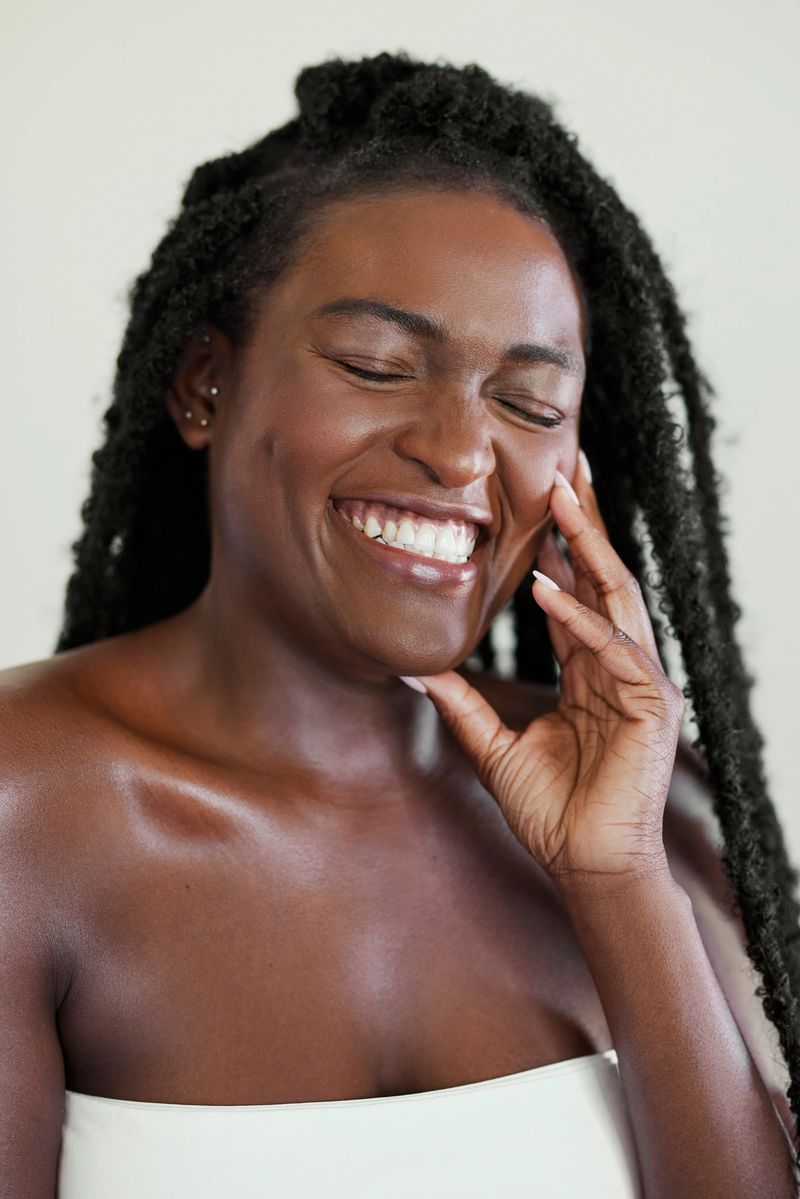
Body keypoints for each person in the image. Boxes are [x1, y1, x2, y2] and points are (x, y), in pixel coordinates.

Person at [1, 50, 798, 1198]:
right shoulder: (24, 809)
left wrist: (617, 880)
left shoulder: (651, 806)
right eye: (378, 364)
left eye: (527, 402)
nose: (463, 451)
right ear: (202, 385)